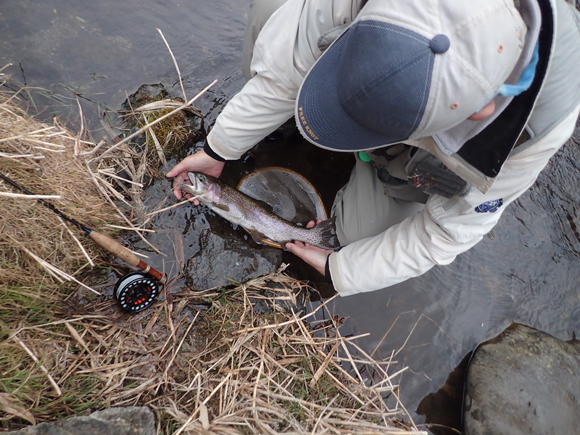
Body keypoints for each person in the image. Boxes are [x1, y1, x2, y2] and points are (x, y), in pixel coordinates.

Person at [167, 0, 580, 296]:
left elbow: (443, 234)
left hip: (417, 160)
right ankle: (299, 117)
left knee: (352, 240)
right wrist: (220, 148)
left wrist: (340, 269)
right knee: (271, 12)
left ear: (482, 111)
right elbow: (282, 70)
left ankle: (379, 162)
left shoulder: (533, 133)